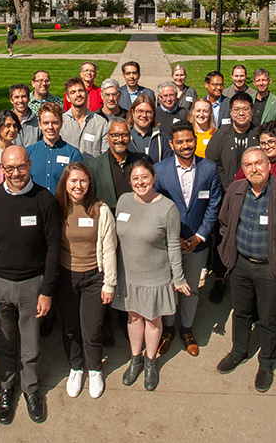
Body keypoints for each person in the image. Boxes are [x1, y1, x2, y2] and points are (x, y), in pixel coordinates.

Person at [215, 148, 276, 393]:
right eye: (248, 165)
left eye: (259, 163)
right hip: (240, 265)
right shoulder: (236, 190)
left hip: (271, 270)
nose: (254, 169)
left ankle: (267, 362)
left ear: (269, 164)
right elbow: (225, 224)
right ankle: (239, 351)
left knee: (269, 320)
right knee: (241, 312)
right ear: (243, 168)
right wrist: (229, 258)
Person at [0, 146, 61, 424]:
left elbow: (52, 248)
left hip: (31, 285)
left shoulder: (44, 199)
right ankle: (6, 387)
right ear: (1, 168)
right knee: (5, 342)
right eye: (9, 168)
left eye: (20, 167)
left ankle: (31, 389)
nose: (15, 173)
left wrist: (46, 290)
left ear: (29, 164)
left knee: (31, 343)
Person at [112, 159, 189, 391]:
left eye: (145, 177)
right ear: (130, 181)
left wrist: (178, 277)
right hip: (129, 275)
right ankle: (135, 359)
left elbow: (174, 246)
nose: (140, 182)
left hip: (155, 277)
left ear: (154, 178)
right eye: (135, 178)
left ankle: (150, 362)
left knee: (153, 321)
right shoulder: (123, 201)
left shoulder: (167, 208)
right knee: (133, 318)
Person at [153, 121, 222, 357]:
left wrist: (200, 235)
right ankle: (169, 329)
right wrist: (172, 238)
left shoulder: (209, 169)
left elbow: (213, 204)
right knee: (171, 287)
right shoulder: (160, 170)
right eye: (180, 142)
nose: (185, 146)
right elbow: (156, 206)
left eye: (189, 140)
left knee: (192, 288)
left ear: (195, 140)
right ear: (171, 144)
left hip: (197, 242)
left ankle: (187, 329)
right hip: (169, 243)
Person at [53, 163, 117, 399]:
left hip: (93, 277)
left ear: (90, 183)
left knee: (92, 328)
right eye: (73, 181)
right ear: (65, 183)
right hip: (66, 277)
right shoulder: (57, 208)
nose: (78, 185)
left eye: (83, 181)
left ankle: (95, 369)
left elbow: (109, 249)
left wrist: (109, 283)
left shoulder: (100, 210)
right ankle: (75, 367)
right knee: (71, 328)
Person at [204, 92, 259, 304]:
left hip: (253, 197)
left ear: (252, 111)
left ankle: (246, 281)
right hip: (225, 196)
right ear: (230, 111)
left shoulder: (258, 134)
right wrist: (229, 186)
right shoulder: (221, 135)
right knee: (222, 236)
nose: (241, 113)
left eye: (246, 109)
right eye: (236, 109)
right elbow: (212, 162)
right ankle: (219, 277)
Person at [88, 118, 149, 214]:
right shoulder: (94, 166)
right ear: (107, 136)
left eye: (124, 135)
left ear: (130, 137)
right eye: (115, 135)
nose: (120, 140)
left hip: (137, 217)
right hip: (108, 220)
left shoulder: (141, 162)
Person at [25, 103, 83, 192]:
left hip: (63, 204)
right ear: (40, 125)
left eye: (54, 123)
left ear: (61, 124)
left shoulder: (73, 154)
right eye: (46, 123)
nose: (50, 127)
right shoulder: (29, 153)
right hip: (36, 204)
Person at [61, 76, 109, 160]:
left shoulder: (101, 123)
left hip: (92, 171)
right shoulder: (61, 122)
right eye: (73, 92)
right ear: (68, 98)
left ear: (86, 94)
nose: (78, 94)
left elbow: (105, 155)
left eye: (81, 91)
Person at [127, 94, 171, 163]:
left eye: (148, 112)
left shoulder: (161, 138)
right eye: (140, 111)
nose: (144, 115)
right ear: (133, 112)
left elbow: (168, 164)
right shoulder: (125, 136)